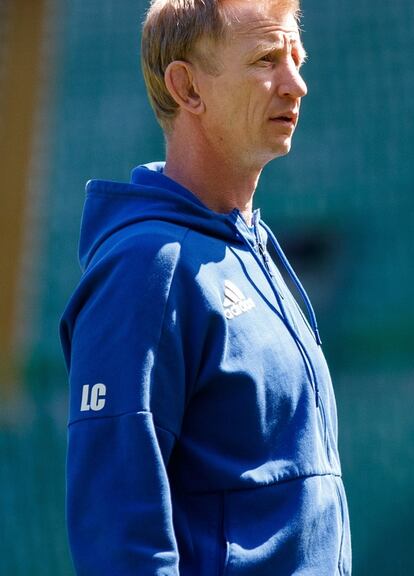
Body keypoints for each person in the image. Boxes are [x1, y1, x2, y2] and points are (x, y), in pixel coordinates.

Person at [59, 1, 351, 573]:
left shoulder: (252, 250)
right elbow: (118, 532)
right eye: (266, 59)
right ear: (187, 87)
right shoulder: (145, 267)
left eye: (297, 58)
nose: (296, 84)